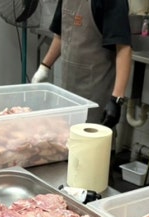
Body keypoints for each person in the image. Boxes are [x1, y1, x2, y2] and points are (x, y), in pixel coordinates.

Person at [32, 0, 132, 129]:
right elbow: (61, 34)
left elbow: (123, 48)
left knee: (90, 136)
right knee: (67, 134)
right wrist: (44, 67)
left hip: (95, 92)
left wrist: (116, 99)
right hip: (69, 89)